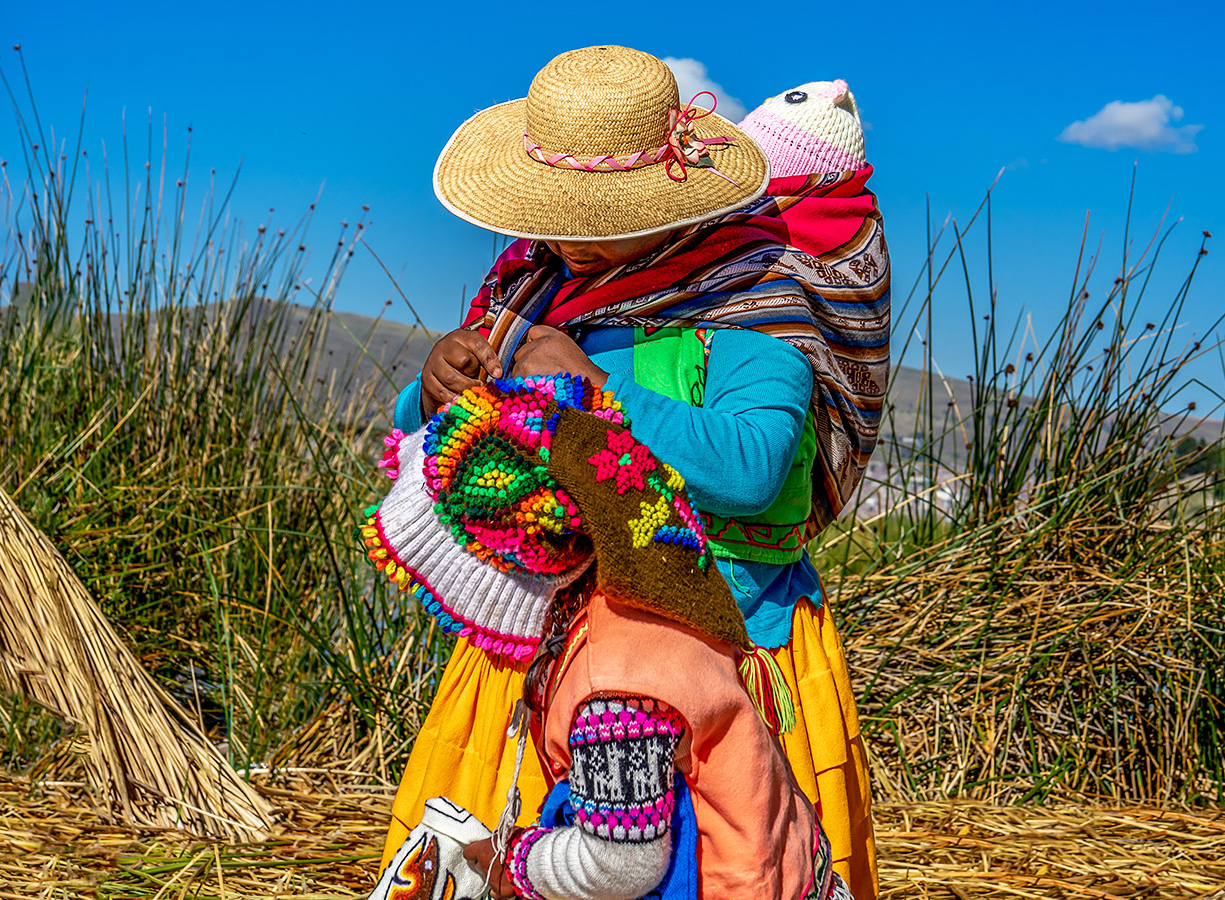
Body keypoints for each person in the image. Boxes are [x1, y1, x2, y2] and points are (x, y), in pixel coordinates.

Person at [379, 45, 888, 896]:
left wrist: (592, 388)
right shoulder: (534, 288)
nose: (568, 237)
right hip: (537, 648)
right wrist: (430, 390)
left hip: (703, 654)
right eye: (554, 212)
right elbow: (448, 434)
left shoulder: (754, 295)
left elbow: (754, 467)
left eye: (599, 214)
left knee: (707, 863)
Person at [365, 377, 851, 899]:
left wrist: (513, 867)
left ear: (526, 562)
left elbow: (621, 863)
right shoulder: (650, 610)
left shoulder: (613, 685)